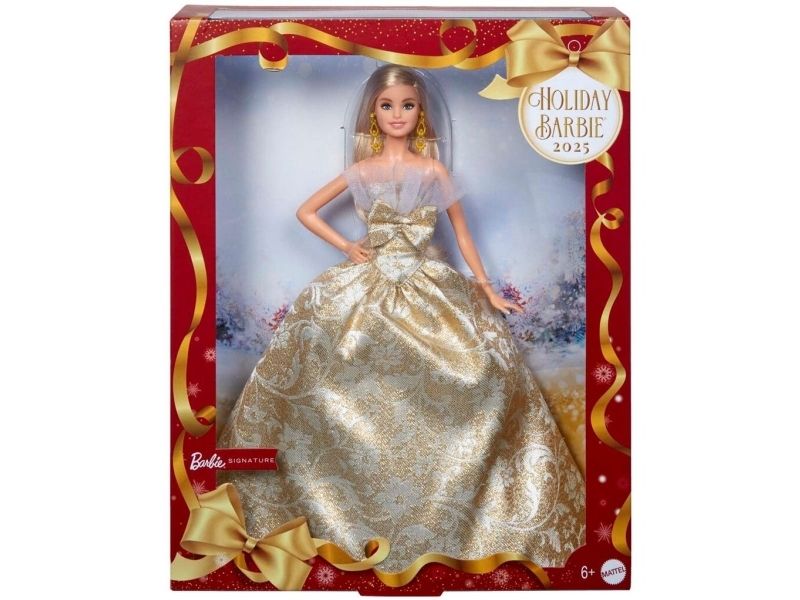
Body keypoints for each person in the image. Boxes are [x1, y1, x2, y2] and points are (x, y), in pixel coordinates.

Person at [217, 64, 585, 574]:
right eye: (388, 106)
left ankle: (455, 502)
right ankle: (333, 495)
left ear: (420, 113)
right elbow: (307, 211)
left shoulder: (433, 172)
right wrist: (348, 247)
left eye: (407, 106)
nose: (397, 115)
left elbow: (462, 236)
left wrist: (486, 289)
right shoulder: (363, 172)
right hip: (367, 285)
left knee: (478, 371)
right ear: (375, 112)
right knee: (332, 366)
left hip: (426, 282)